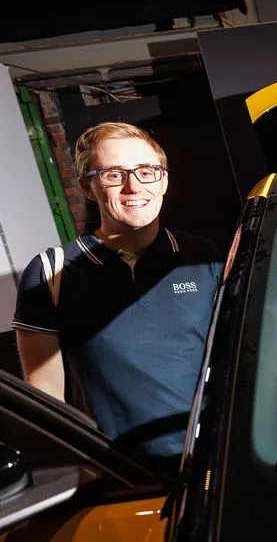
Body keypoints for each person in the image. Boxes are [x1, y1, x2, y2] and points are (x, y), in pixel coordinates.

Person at [12, 122, 222, 472]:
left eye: (147, 171)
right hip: (123, 476)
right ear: (88, 187)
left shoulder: (202, 256)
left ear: (163, 181)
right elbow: (47, 402)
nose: (134, 186)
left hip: (216, 460)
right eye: (113, 174)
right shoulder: (51, 272)